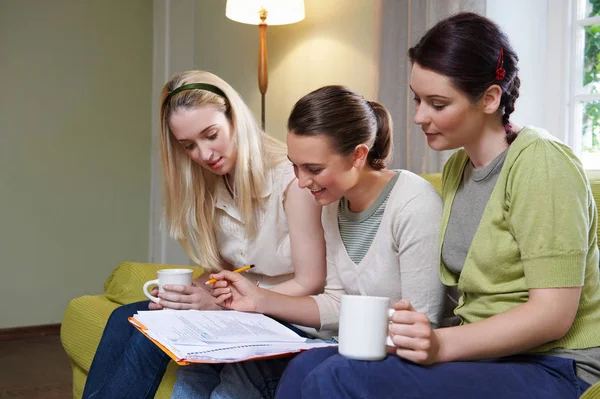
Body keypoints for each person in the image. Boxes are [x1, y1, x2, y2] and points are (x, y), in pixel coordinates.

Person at [274, 12, 600, 399]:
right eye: (417, 99)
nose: (418, 116)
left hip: (556, 363)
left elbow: (552, 315)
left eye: (438, 103)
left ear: (490, 98)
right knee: (305, 366)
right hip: (486, 356)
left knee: (339, 378)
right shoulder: (458, 169)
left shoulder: (541, 162)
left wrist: (441, 345)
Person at [81, 70, 326, 399]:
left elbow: (312, 281)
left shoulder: (292, 180)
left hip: (289, 316)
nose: (204, 154)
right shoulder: (213, 184)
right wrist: (190, 296)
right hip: (244, 308)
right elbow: (228, 269)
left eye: (211, 135)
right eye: (189, 146)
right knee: (126, 317)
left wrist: (224, 306)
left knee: (147, 336)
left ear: (234, 118)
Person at [198, 85, 446, 397]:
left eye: (313, 169)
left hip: (406, 359)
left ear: (358, 155)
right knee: (240, 369)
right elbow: (335, 302)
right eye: (294, 166)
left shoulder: (413, 204)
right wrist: (258, 300)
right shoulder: (333, 205)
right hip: (348, 346)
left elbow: (423, 326)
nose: (301, 182)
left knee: (288, 373)